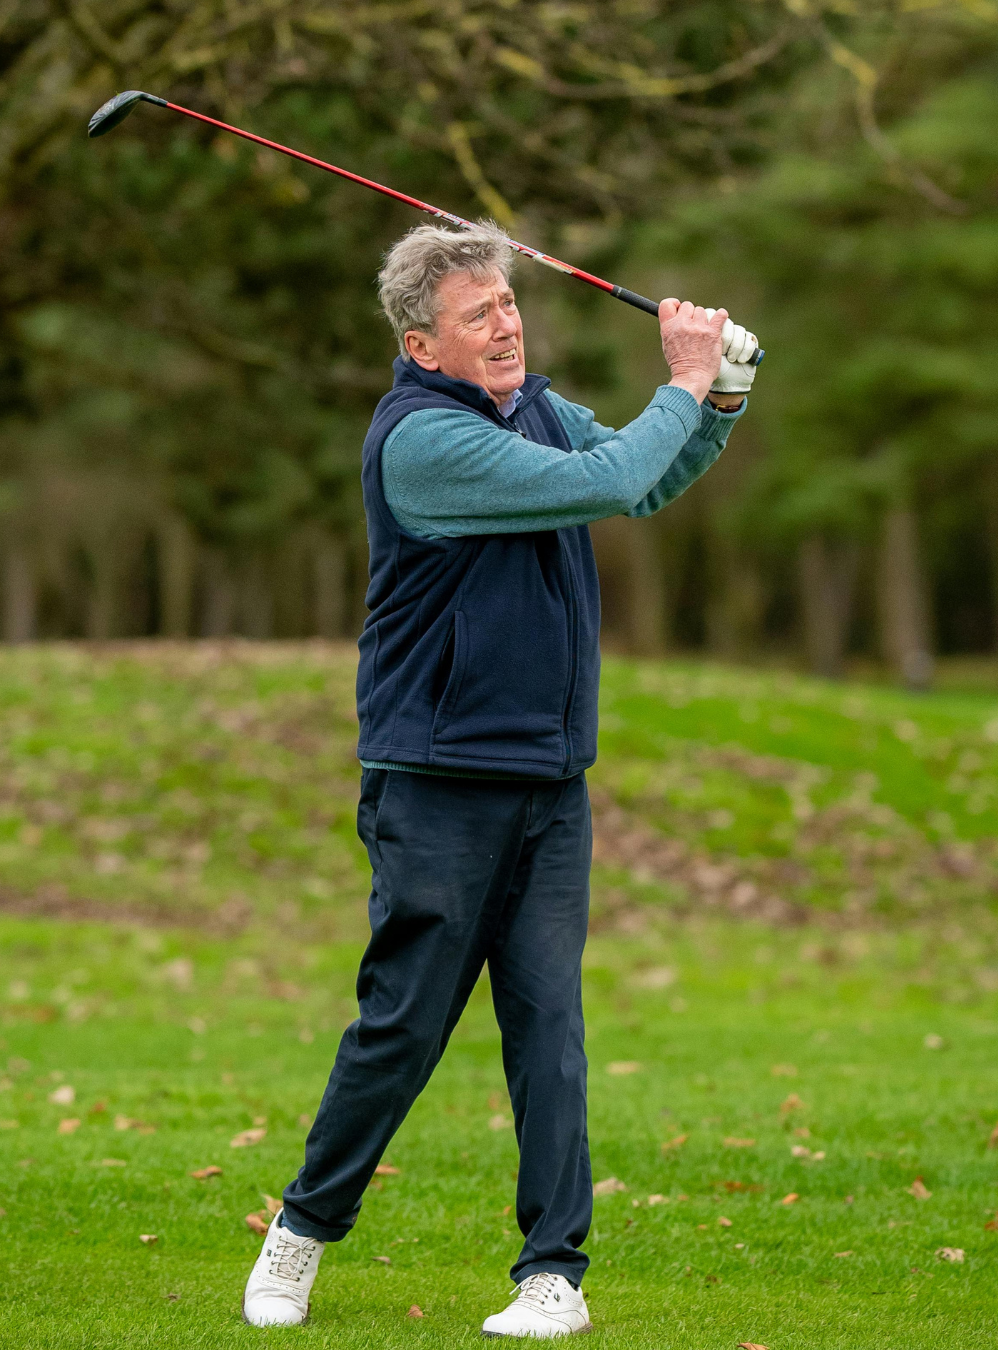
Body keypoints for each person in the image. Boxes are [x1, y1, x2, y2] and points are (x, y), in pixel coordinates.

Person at [242, 221, 757, 1336]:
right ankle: (303, 1230)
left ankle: (552, 1274)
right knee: (404, 1026)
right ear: (423, 347)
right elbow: (612, 479)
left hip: (548, 780)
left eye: (510, 304)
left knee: (547, 1025)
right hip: (437, 782)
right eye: (478, 315)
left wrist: (720, 398)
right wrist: (683, 377)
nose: (506, 325)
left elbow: (649, 482)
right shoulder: (423, 442)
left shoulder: (536, 410)